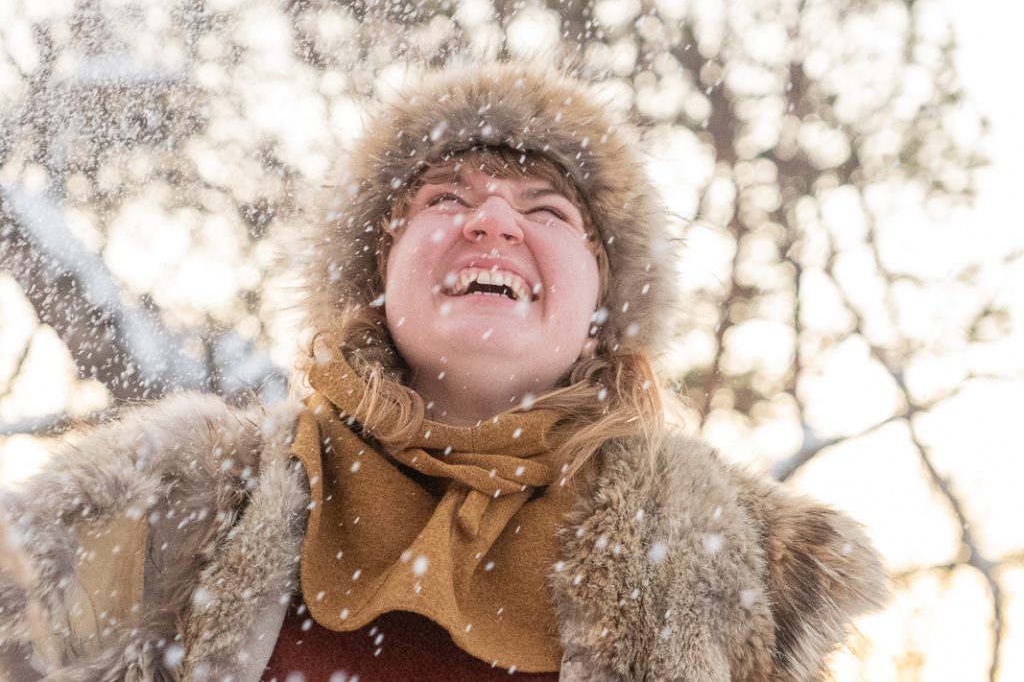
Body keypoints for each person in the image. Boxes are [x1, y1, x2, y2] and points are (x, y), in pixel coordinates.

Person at [0, 64, 886, 681]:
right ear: (375, 275)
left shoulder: (746, 560)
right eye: (444, 199)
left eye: (547, 208)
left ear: (604, 305)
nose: (493, 220)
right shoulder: (168, 501)